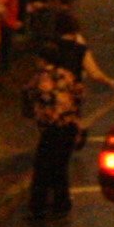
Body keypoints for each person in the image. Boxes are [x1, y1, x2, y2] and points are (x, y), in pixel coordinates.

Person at [24, 43, 84, 217]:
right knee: (60, 167)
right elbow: (79, 94)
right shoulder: (67, 74)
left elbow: (33, 95)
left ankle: (39, 206)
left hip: (53, 127)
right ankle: (61, 204)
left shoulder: (42, 78)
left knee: (42, 167)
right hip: (69, 125)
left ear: (42, 60)